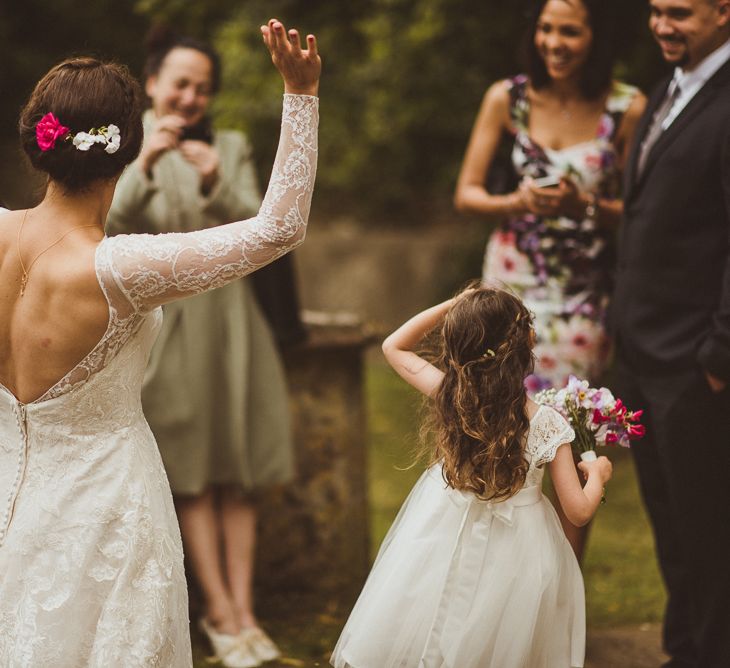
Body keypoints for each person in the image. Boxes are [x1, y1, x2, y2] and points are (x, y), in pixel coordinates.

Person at [0, 18, 319, 668]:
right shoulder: (120, 269)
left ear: (39, 140)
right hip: (108, 523)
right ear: (126, 147)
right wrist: (301, 92)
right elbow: (279, 228)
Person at [105, 29, 294, 665]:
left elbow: (265, 228)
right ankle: (216, 611)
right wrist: (147, 162)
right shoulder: (123, 148)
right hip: (168, 324)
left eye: (203, 88)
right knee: (189, 472)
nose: (191, 97)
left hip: (233, 323)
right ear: (152, 84)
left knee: (237, 471)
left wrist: (217, 180)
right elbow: (109, 225)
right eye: (180, 83)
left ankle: (245, 611)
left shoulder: (232, 146)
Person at [331, 287, 613, 668]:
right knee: (499, 633)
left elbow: (394, 347)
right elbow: (578, 512)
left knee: (441, 611)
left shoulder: (452, 396)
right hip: (519, 549)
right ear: (526, 344)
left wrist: (454, 305)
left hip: (447, 526)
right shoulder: (547, 424)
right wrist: (596, 473)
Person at [453, 0, 645, 561]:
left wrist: (587, 205)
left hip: (581, 300)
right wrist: (518, 200)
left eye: (569, 31)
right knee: (495, 428)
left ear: (595, 36)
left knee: (572, 435)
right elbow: (466, 194)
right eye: (545, 29)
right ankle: (494, 575)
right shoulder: (506, 98)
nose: (554, 42)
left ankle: (563, 587)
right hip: (509, 289)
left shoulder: (626, 107)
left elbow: (641, 209)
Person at [612, 1, 730, 665]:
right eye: (656, 11)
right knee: (673, 532)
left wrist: (718, 356)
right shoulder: (667, 90)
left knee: (712, 538)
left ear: (723, 10)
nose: (662, 25)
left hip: (696, 366)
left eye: (679, 12)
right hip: (642, 356)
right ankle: (685, 652)